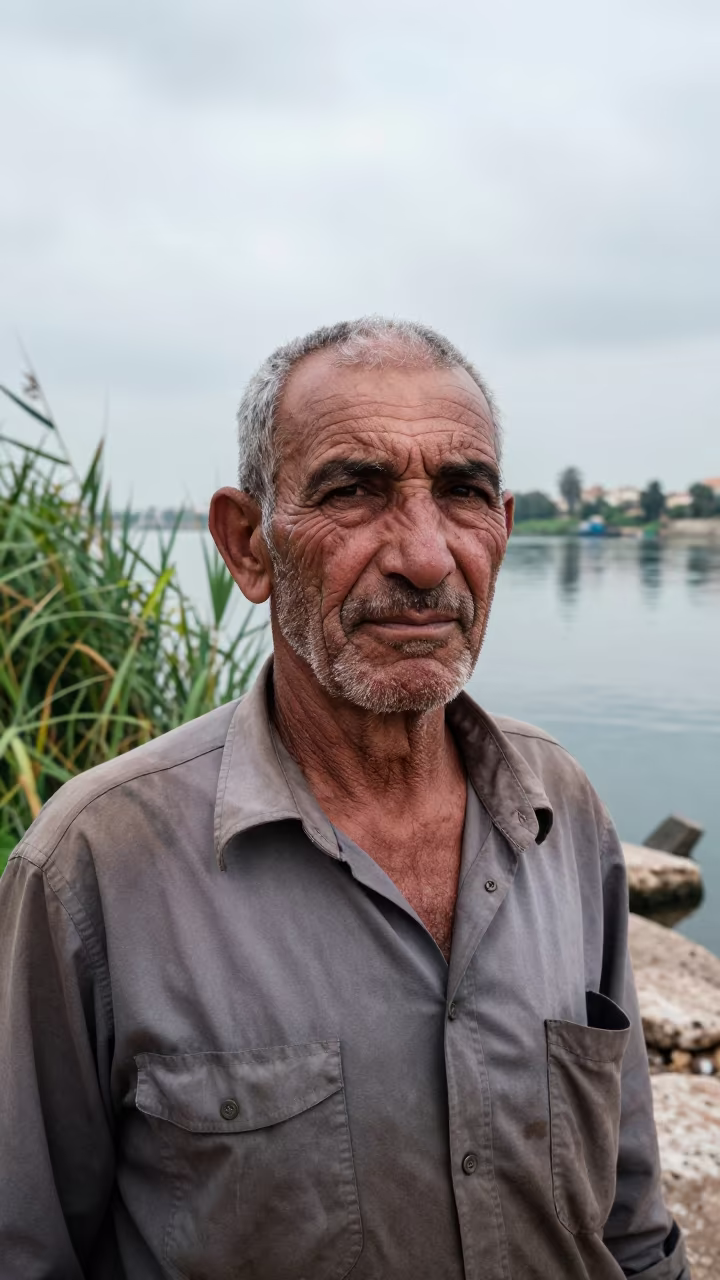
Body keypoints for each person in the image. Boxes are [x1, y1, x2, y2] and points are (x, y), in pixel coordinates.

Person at [0, 318, 688, 1279]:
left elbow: (630, 1225)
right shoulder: (95, 865)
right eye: (355, 492)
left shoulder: (560, 808)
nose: (424, 557)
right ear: (249, 546)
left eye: (463, 494)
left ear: (502, 525)